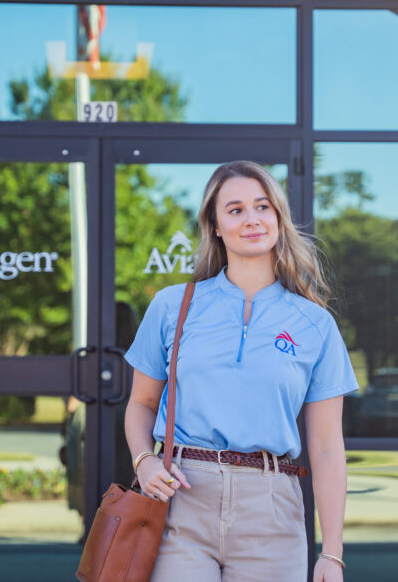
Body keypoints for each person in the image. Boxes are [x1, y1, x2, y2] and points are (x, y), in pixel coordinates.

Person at [124, 161, 358, 582]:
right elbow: (141, 404)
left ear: (278, 218)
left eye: (262, 206)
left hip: (272, 508)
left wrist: (333, 553)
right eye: (235, 210)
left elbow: (326, 447)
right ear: (214, 225)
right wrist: (144, 461)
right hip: (181, 497)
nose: (251, 219)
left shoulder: (314, 323)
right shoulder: (172, 305)